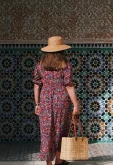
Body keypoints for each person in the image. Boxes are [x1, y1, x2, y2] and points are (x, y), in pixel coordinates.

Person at [33, 36, 80, 165]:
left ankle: (49, 163)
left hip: (45, 100)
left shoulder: (40, 65)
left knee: (47, 132)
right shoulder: (66, 65)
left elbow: (37, 85)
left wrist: (37, 104)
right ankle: (59, 162)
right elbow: (69, 85)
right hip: (62, 101)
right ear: (61, 51)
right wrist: (76, 104)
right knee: (61, 131)